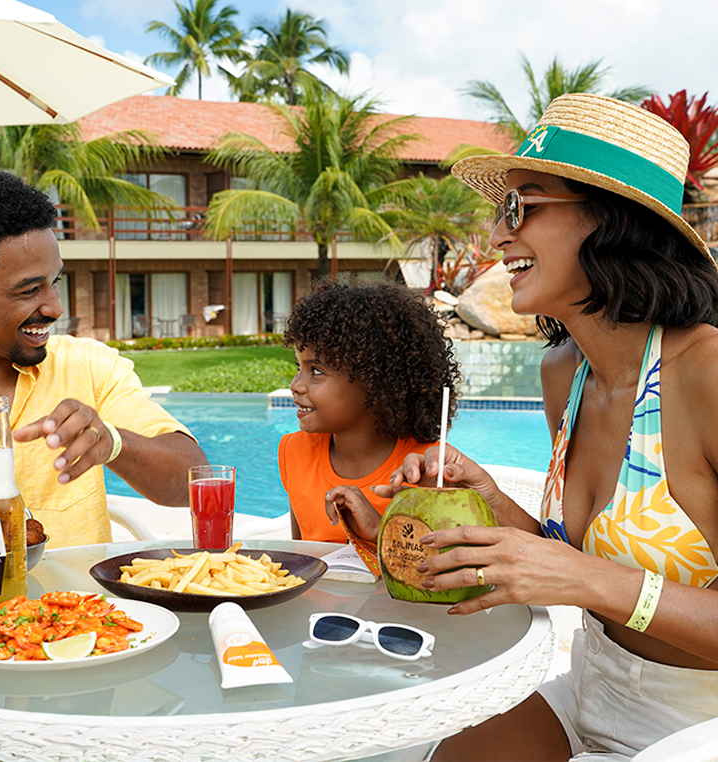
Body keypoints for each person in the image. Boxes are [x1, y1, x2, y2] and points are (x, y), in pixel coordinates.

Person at [374, 94, 718, 762]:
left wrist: (589, 583)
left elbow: (592, 577)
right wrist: (488, 495)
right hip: (593, 686)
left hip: (699, 724)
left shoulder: (707, 374)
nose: (498, 237)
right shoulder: (567, 371)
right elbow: (581, 557)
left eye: (523, 206)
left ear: (611, 221)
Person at [0, 168, 206, 589]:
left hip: (83, 634)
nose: (53, 306)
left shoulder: (88, 368)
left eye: (55, 282)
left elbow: (194, 483)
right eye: (29, 290)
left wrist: (113, 442)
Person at [279, 276, 461, 543]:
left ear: (374, 382)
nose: (295, 385)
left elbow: (435, 574)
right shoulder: (293, 452)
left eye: (316, 371)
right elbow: (302, 559)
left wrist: (380, 532)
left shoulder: (426, 472)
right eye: (299, 367)